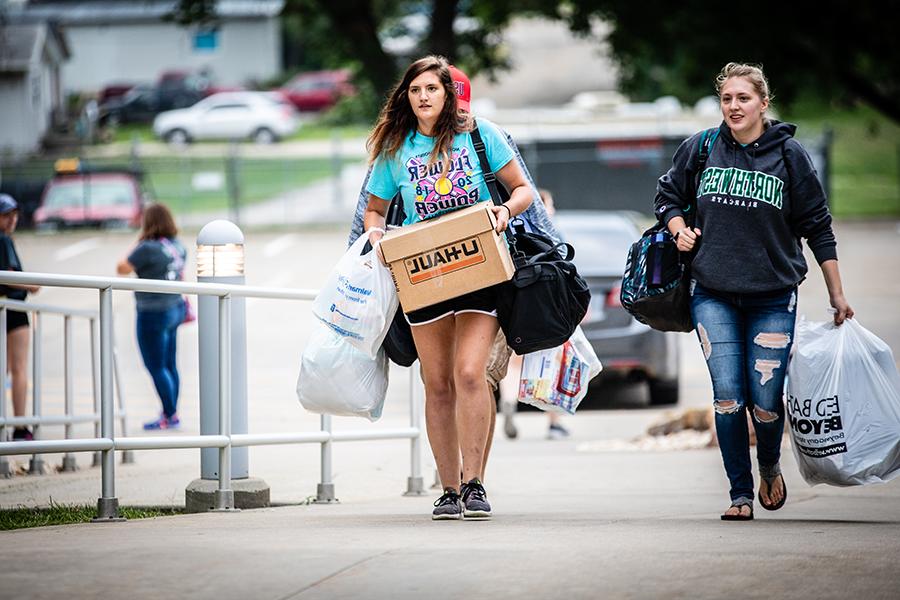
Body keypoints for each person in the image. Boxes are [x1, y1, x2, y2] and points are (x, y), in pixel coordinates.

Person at [654, 62, 854, 521]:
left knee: (765, 401)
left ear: (764, 103)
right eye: (726, 99)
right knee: (728, 395)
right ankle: (739, 494)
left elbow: (818, 228)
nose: (734, 107)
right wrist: (680, 227)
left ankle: (768, 464)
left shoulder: (790, 156)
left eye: (743, 98)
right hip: (712, 293)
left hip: (772, 295)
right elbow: (666, 197)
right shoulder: (702, 148)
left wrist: (836, 293)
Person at [348, 64, 560, 479]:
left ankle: (474, 481)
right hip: (424, 277)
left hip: (480, 269)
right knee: (438, 382)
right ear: (405, 97)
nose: (423, 96)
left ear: (448, 93)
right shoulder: (396, 149)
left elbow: (523, 190)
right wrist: (376, 237)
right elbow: (374, 210)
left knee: (469, 373)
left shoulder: (481, 135)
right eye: (414, 90)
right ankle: (447, 487)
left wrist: (504, 211)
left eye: (431, 88)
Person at [499, 188, 570, 440]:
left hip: (512, 298)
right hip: (542, 301)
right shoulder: (547, 230)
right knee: (549, 361)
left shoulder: (509, 226)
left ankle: (508, 401)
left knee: (514, 362)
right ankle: (553, 422)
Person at [116, 203, 188, 431]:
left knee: (155, 366)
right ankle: (171, 411)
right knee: (170, 363)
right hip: (175, 307)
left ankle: (169, 413)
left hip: (152, 312)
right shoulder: (178, 246)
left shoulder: (146, 248)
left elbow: (122, 268)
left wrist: (138, 242)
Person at [0, 194, 40, 442]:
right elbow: (9, 276)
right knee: (17, 367)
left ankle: (18, 425)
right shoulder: (4, 241)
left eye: (14, 215)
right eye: (6, 215)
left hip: (12, 307)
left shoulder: (7, 240)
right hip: (11, 307)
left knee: (11, 368)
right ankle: (20, 425)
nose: (12, 220)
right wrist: (32, 284)